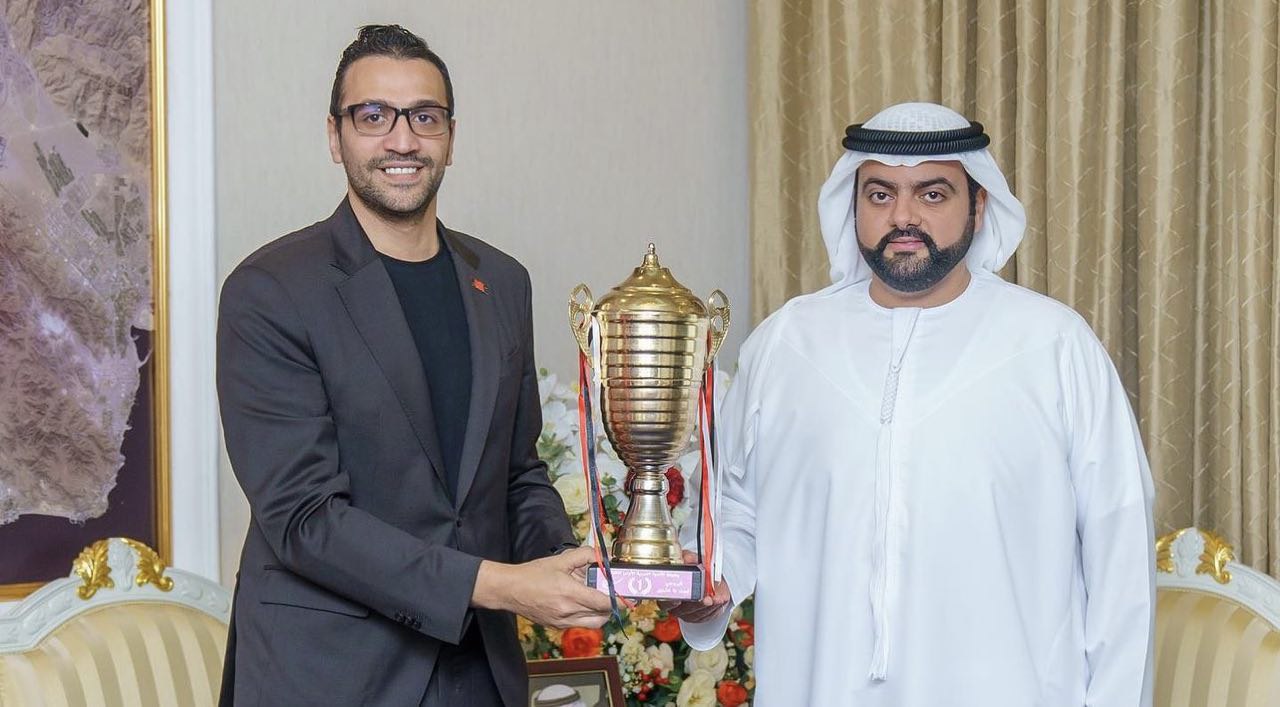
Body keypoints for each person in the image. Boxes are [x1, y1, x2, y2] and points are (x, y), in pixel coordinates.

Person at [667, 102, 1155, 705]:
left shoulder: (1053, 345)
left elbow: (1120, 559)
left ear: (977, 206)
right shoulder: (788, 342)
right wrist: (709, 583)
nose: (902, 217)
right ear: (852, 204)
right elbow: (734, 511)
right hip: (821, 686)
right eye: (879, 195)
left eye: (931, 195)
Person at [216, 24, 612, 707]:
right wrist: (498, 584)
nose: (402, 140)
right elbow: (305, 517)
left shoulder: (504, 283)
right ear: (335, 136)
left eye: (424, 117)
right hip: (328, 678)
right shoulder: (271, 290)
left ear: (450, 138)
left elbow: (516, 476)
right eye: (373, 117)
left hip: (479, 674)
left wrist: (578, 563)